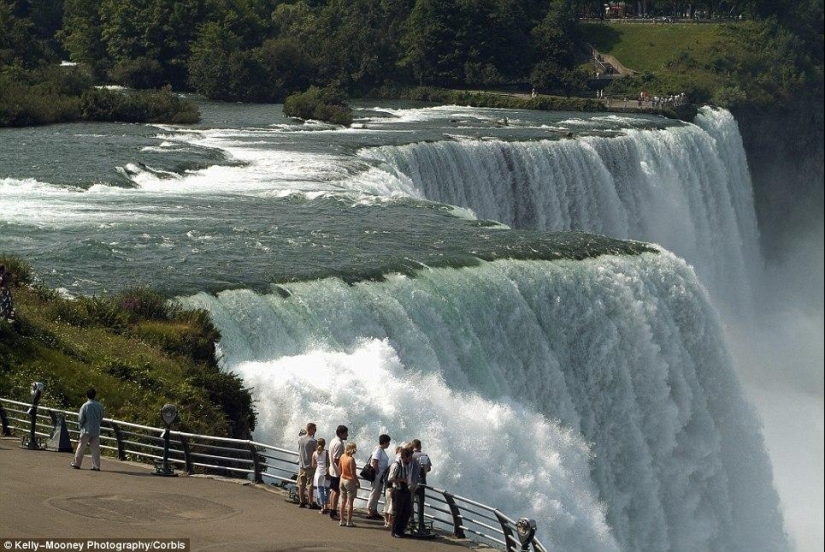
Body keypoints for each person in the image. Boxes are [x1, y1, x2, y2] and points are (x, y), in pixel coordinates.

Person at [71, 388, 105, 471]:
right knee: (95, 448)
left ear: (87, 395)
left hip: (86, 429)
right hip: (96, 429)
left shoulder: (85, 406)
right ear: (95, 395)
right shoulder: (99, 405)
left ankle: (77, 463)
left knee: (81, 446)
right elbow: (101, 416)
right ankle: (96, 466)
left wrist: (80, 427)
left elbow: (81, 418)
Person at [388, 447, 414, 538]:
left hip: (405, 490)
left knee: (407, 511)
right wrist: (401, 479)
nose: (411, 459)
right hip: (398, 491)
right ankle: (395, 531)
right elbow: (390, 479)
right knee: (397, 512)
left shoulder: (406, 465)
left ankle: (401, 530)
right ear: (405, 457)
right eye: (410, 457)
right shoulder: (396, 465)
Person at [366, 434, 391, 519]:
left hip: (380, 476)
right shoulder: (378, 450)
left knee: (377, 493)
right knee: (374, 492)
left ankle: (374, 510)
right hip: (377, 476)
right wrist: (378, 473)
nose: (389, 444)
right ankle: (370, 511)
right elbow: (374, 462)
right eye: (388, 442)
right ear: (384, 442)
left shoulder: (381, 450)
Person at [410, 438, 433, 532]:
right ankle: (421, 524)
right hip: (421, 482)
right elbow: (429, 468)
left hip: (411, 482)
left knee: (410, 503)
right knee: (420, 504)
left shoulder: (410, 455)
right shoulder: (424, 455)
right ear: (419, 446)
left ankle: (411, 522)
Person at [327, 424, 348, 520]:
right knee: (336, 492)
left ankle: (332, 510)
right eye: (346, 433)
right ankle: (333, 512)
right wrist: (342, 471)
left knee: (333, 491)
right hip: (337, 471)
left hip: (332, 469)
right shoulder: (339, 444)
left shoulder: (333, 441)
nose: (347, 435)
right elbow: (337, 459)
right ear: (340, 433)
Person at [338, 441, 360, 527]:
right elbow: (352, 473)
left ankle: (341, 520)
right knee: (350, 502)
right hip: (349, 481)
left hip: (342, 479)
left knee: (343, 501)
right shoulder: (351, 459)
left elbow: (339, 469)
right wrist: (357, 482)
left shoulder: (342, 456)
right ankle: (349, 521)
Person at [297, 422, 319, 508]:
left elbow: (299, 451)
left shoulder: (300, 439)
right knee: (310, 485)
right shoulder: (313, 441)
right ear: (310, 429)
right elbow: (317, 453)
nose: (315, 431)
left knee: (301, 484)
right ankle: (310, 502)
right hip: (310, 466)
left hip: (302, 465)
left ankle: (301, 500)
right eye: (314, 429)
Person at [312, 438, 331, 514]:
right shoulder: (327, 452)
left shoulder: (314, 453)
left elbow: (313, 465)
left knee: (320, 490)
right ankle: (326, 506)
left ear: (317, 444)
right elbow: (329, 463)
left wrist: (318, 465)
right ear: (324, 444)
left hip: (318, 473)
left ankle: (322, 507)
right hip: (326, 473)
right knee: (327, 490)